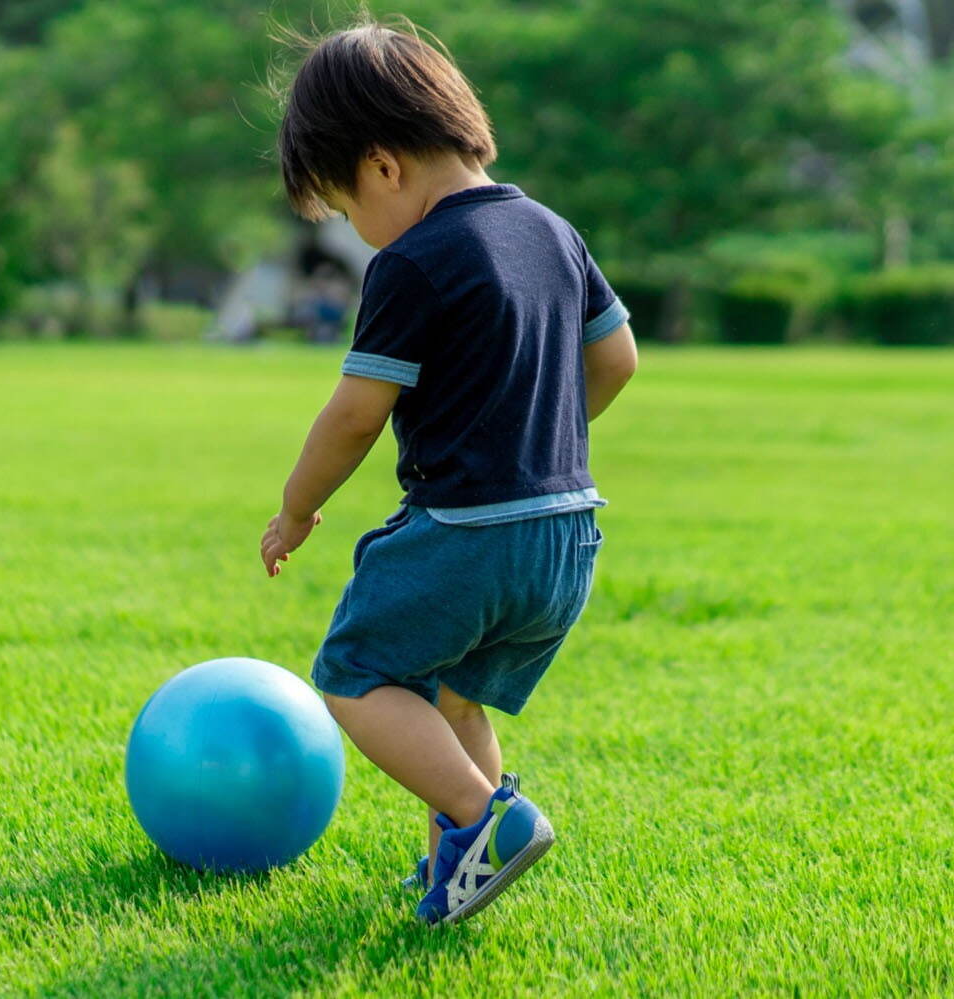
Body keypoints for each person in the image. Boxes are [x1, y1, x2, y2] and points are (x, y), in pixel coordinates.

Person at [260, 18, 638, 925]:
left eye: (347, 209)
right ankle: (451, 866)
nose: (358, 231)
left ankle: (482, 820)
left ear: (382, 165)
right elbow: (618, 357)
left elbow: (355, 413)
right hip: (565, 534)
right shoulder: (551, 230)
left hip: (466, 530)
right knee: (453, 696)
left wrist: (297, 508)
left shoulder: (410, 262)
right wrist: (534, 432)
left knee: (354, 670)